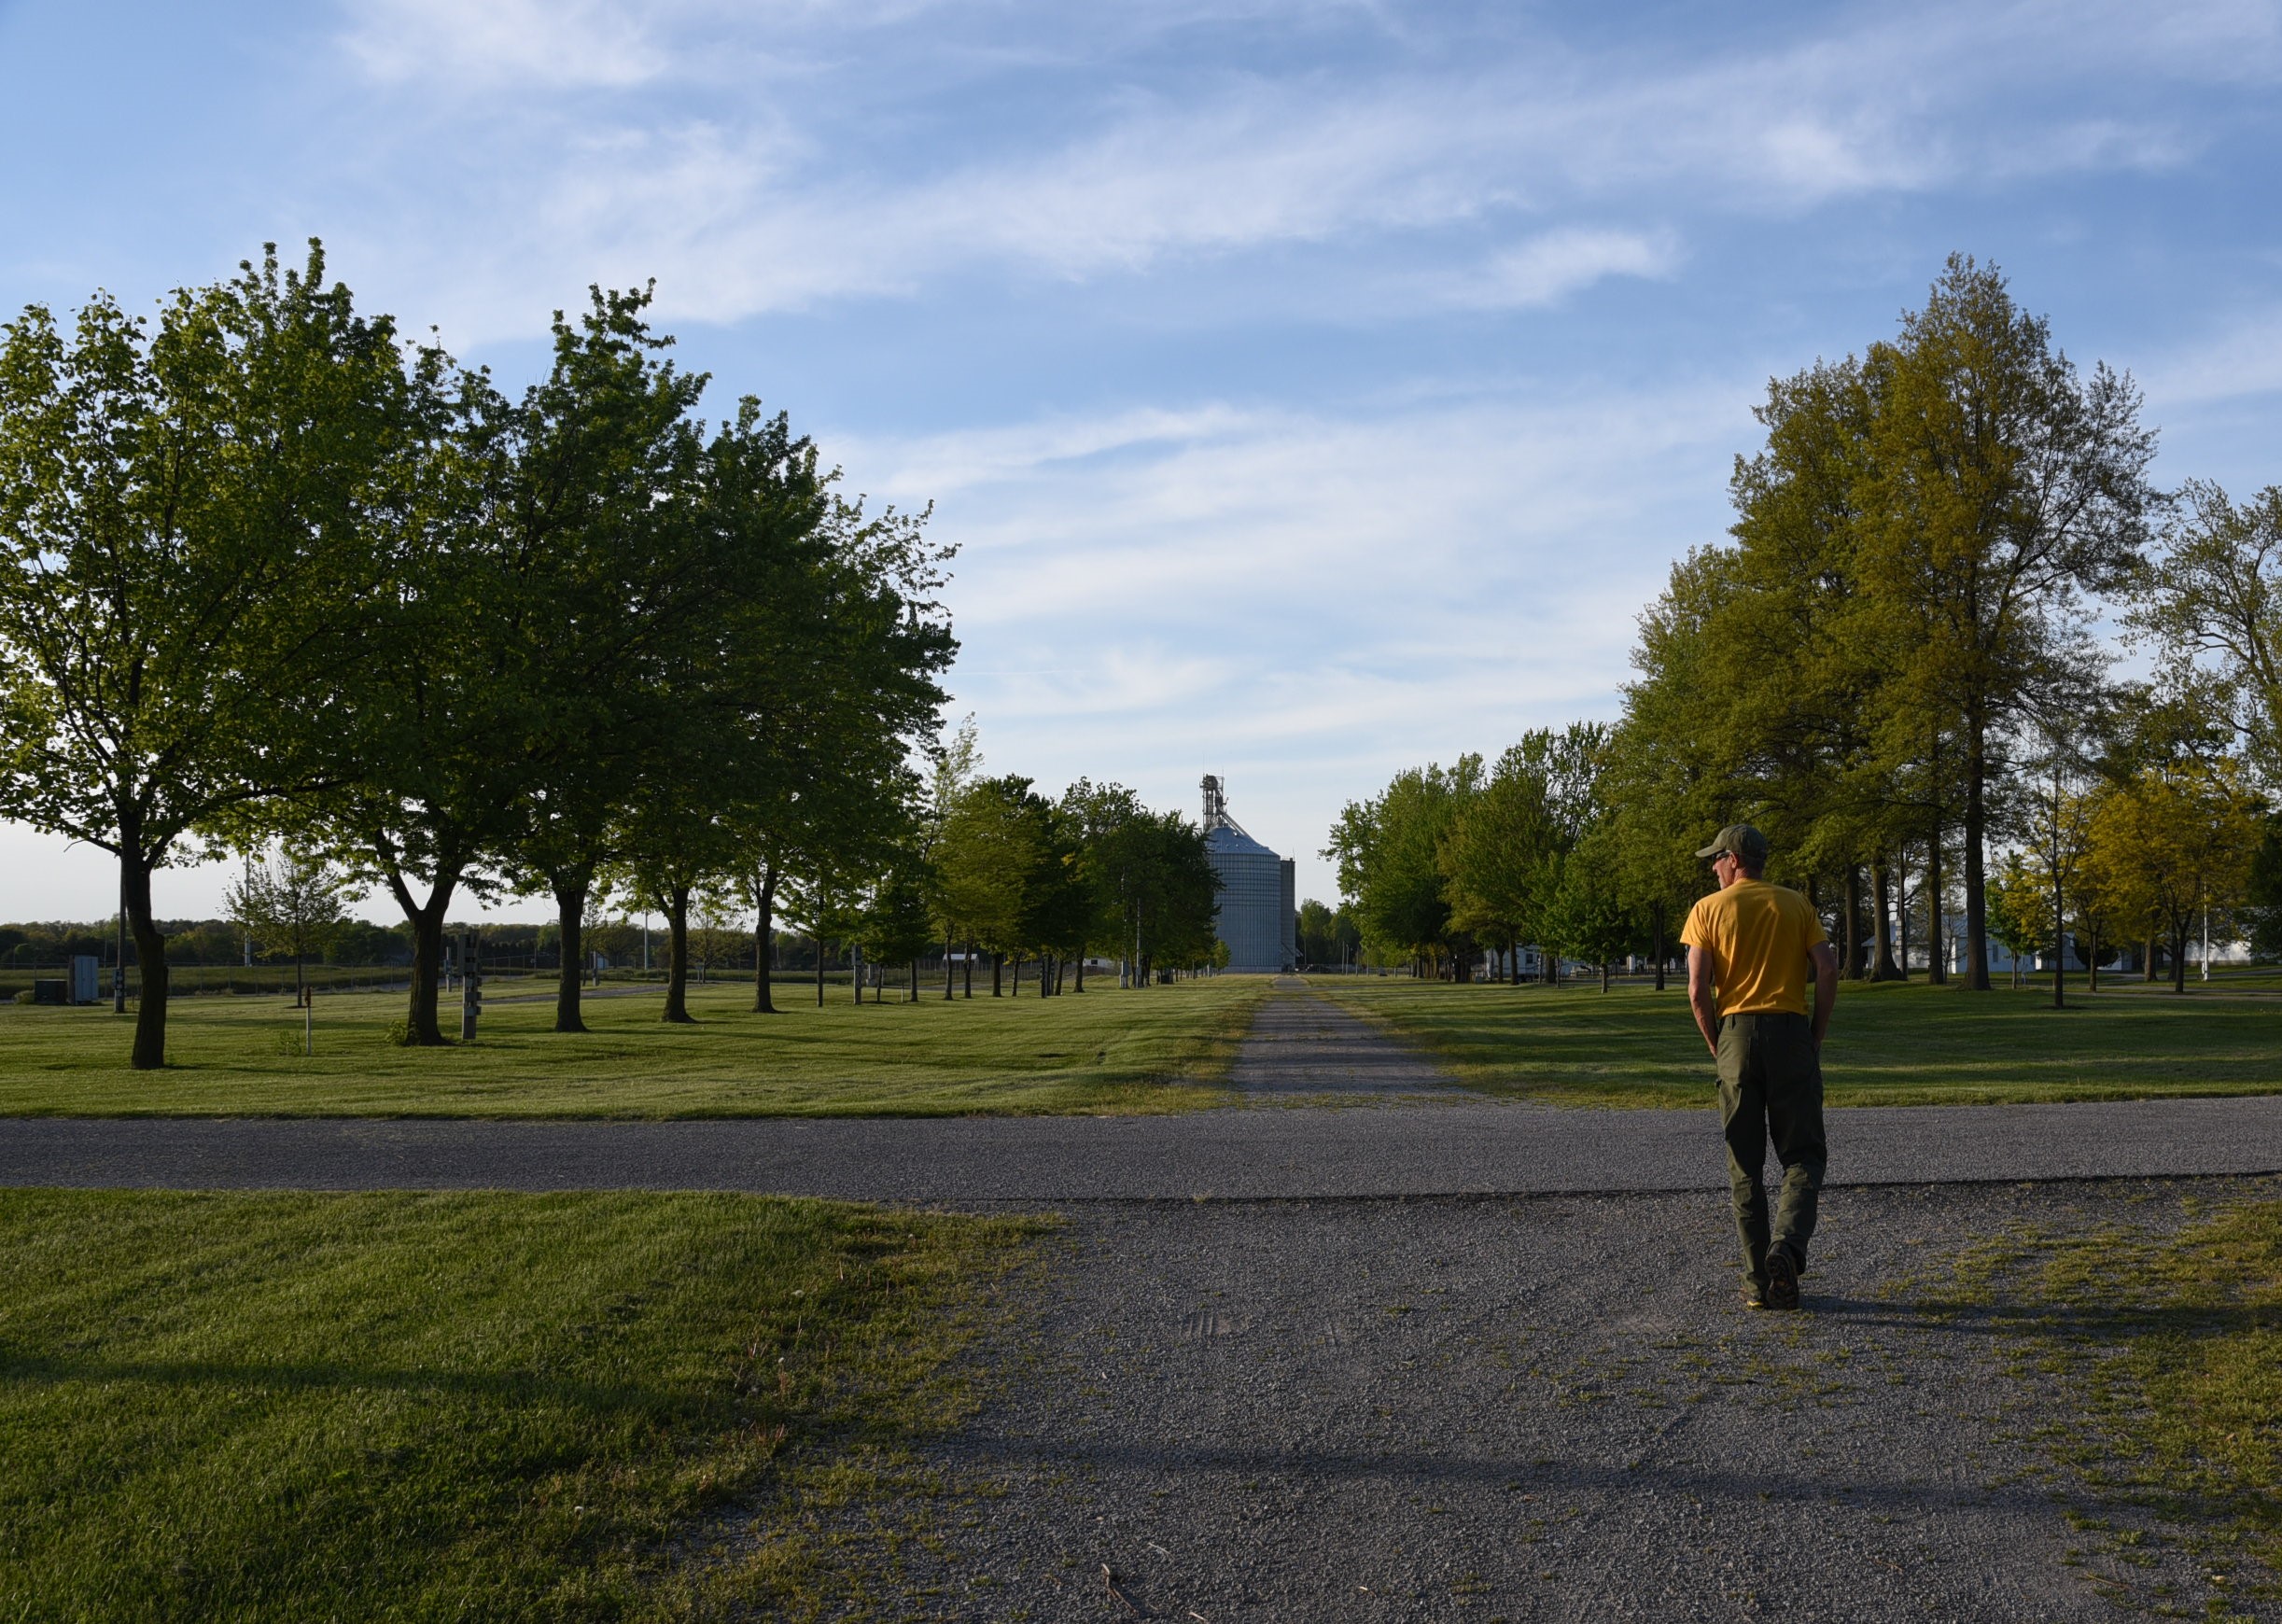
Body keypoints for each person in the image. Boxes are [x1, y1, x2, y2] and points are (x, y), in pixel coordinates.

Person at [1678, 824, 1839, 1311]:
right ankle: (1786, 1247)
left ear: (1733, 860)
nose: (1713, 867)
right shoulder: (1796, 904)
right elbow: (1828, 968)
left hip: (1736, 1034)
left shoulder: (1708, 909)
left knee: (1745, 1163)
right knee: (1803, 1155)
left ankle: (1757, 1284)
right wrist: (1814, 1036)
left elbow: (1697, 989)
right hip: (1791, 1032)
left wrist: (1718, 1045)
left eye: (1716, 859)